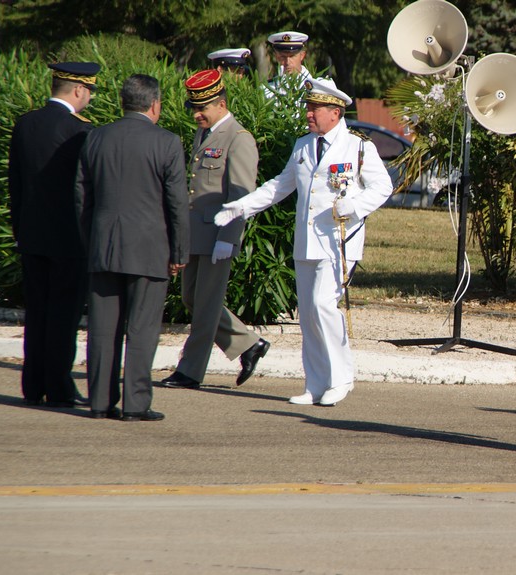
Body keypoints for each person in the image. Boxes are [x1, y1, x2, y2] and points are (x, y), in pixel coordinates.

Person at [215, 77, 392, 406]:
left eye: (314, 109)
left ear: (335, 113)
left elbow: (383, 188)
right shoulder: (303, 145)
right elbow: (279, 186)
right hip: (307, 241)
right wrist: (242, 207)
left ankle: (341, 378)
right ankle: (316, 383)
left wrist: (356, 207)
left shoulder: (358, 147)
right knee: (309, 314)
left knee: (325, 306)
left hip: (339, 241)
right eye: (308, 107)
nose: (308, 114)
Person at [75, 74, 189, 421]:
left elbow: (82, 198)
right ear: (154, 105)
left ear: (123, 103)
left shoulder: (96, 138)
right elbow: (177, 204)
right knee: (142, 328)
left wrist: (90, 242)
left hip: (104, 246)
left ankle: (99, 401)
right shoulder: (167, 142)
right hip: (150, 248)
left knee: (103, 328)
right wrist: (180, 252)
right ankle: (135, 404)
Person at [159, 70, 270, 390]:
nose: (196, 114)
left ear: (220, 103)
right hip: (197, 235)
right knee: (192, 298)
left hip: (218, 238)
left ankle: (189, 371)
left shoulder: (238, 138)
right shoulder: (204, 133)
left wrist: (228, 239)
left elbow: (241, 196)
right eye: (194, 107)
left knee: (206, 307)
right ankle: (249, 344)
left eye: (202, 108)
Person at [8, 62, 100, 408]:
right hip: (70, 239)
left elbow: (15, 184)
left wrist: (21, 230)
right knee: (64, 314)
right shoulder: (80, 131)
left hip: (32, 236)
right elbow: (85, 191)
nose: (89, 98)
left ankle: (32, 385)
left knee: (37, 312)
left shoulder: (26, 124)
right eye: (89, 92)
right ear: (78, 90)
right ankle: (59, 388)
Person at [263, 31, 312, 100]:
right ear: (276, 56)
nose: (287, 62)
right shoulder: (266, 90)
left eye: (292, 56)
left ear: (302, 56)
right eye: (283, 57)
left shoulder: (317, 88)